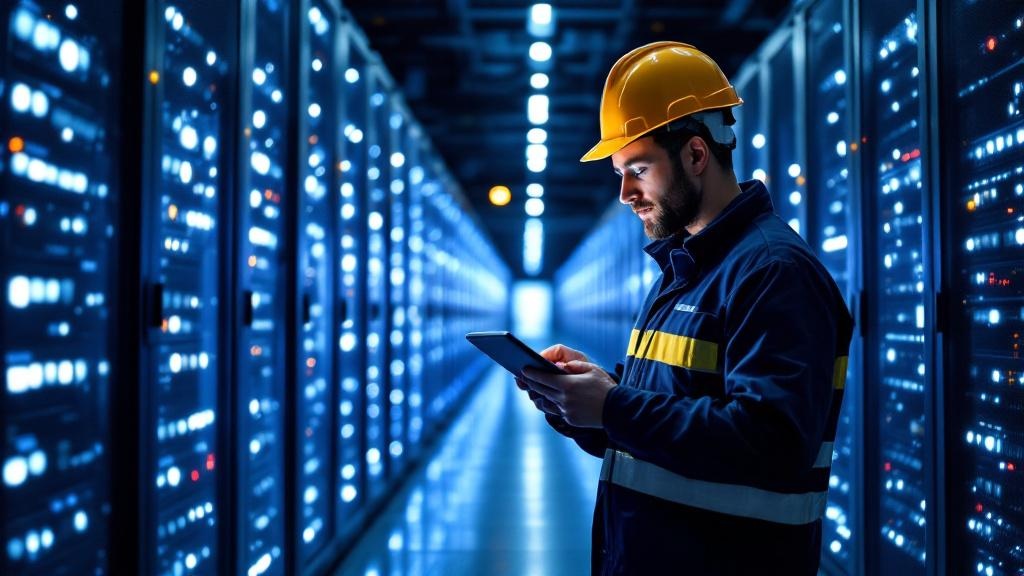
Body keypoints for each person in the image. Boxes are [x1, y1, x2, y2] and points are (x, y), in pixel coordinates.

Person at [516, 42, 854, 575]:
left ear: (696, 155)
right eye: (620, 175)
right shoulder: (684, 269)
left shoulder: (773, 271)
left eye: (639, 169)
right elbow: (662, 419)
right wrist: (578, 401)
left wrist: (611, 407)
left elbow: (772, 441)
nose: (626, 193)